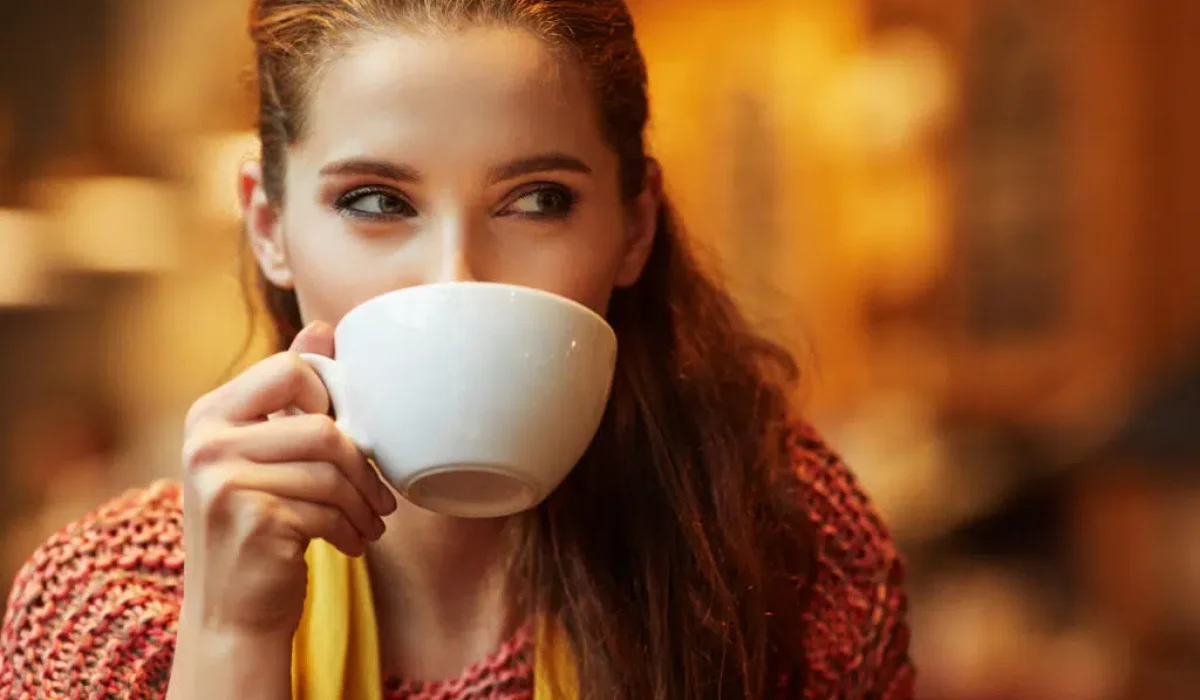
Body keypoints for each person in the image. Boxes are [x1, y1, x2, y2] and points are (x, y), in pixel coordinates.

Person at [0, 1, 913, 697]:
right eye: (375, 201)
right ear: (269, 227)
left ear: (635, 228)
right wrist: (231, 639)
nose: (456, 278)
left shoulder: (789, 547)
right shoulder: (105, 608)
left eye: (538, 200)